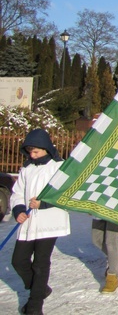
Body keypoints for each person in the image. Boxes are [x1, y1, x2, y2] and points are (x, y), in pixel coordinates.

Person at [10, 129, 71, 315]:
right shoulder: (26, 169)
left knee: (40, 264)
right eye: (30, 152)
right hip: (28, 223)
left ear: (46, 149)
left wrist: (43, 203)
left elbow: (65, 194)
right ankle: (41, 288)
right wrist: (18, 209)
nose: (32, 155)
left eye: (36, 151)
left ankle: (35, 306)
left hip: (49, 222)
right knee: (18, 261)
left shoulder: (59, 167)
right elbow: (17, 192)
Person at [91, 218, 118, 292]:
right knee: (97, 240)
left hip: (116, 210)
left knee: (111, 242)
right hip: (98, 209)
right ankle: (114, 257)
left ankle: (112, 276)